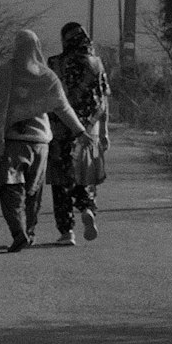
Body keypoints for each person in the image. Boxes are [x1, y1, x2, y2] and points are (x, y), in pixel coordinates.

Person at [0, 29, 93, 252]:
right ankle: (29, 232)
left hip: (9, 143)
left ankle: (18, 233)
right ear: (37, 48)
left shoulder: (3, 73)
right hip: (39, 144)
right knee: (32, 192)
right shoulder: (47, 77)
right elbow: (63, 107)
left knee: (10, 189)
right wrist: (80, 132)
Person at [47, 21, 110, 245]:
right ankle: (87, 207)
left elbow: (49, 97)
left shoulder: (54, 63)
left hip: (60, 129)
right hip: (88, 131)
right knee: (85, 174)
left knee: (60, 180)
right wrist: (104, 132)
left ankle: (66, 232)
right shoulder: (96, 64)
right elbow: (103, 99)